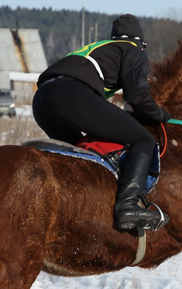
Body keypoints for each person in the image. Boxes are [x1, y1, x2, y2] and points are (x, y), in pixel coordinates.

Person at [33, 13, 171, 232]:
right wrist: (161, 115)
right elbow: (136, 97)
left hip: (42, 100)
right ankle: (127, 207)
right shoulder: (133, 50)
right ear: (140, 43)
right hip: (70, 94)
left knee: (82, 154)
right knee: (143, 140)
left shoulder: (102, 48)